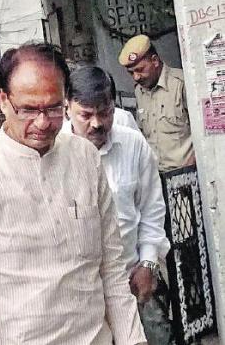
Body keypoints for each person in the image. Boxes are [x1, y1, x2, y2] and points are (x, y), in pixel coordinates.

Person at [0, 43, 146, 344]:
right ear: (3, 100)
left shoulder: (86, 158)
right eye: (28, 109)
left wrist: (134, 340)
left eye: (53, 108)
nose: (42, 122)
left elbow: (112, 269)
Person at [64, 66, 173, 344]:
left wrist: (149, 263)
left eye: (105, 112)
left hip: (132, 284)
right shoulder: (54, 153)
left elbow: (151, 209)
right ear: (67, 108)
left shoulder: (133, 144)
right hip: (77, 298)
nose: (97, 123)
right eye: (86, 115)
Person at [119, 34, 194, 172]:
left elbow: (203, 134)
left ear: (155, 61)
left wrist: (187, 172)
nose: (136, 77)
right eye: (131, 73)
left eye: (140, 70)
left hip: (187, 174)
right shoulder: (139, 92)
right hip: (156, 177)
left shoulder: (182, 84)